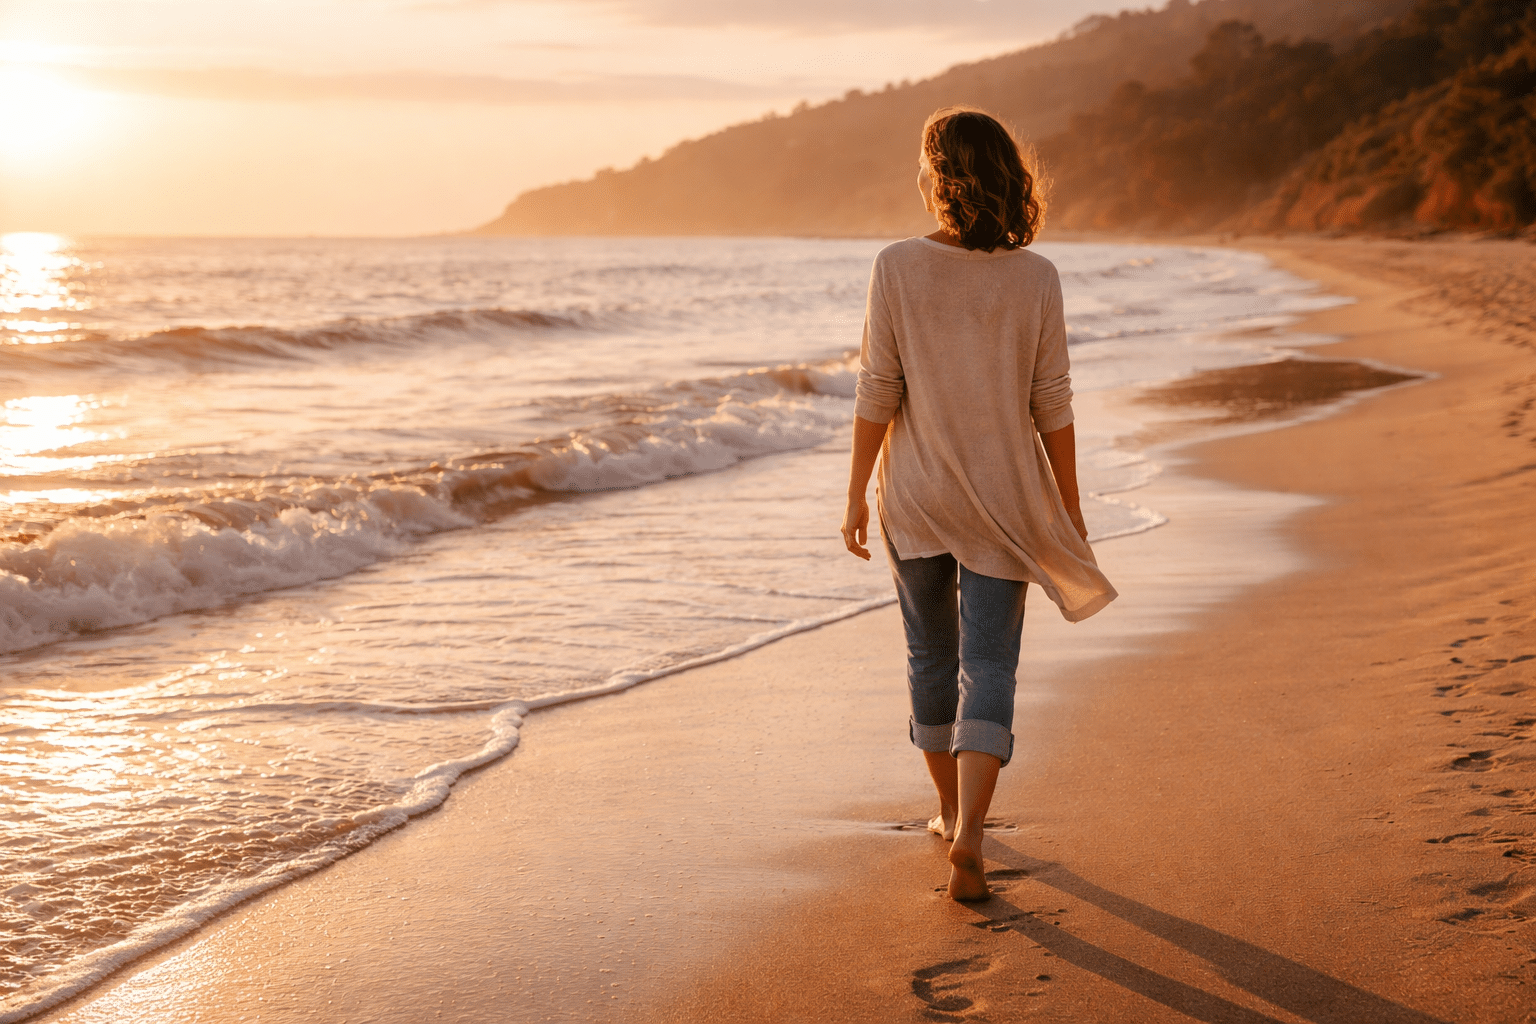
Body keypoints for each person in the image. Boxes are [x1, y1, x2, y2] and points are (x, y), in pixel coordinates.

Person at [841, 107, 1117, 901]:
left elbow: (877, 389)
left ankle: (947, 811)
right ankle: (971, 833)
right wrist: (1069, 505)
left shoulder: (896, 265)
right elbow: (1051, 401)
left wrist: (854, 491)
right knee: (989, 663)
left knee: (930, 658)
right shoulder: (1037, 277)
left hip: (918, 496)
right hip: (1003, 498)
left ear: (938, 175)